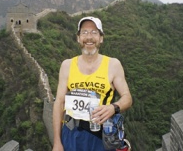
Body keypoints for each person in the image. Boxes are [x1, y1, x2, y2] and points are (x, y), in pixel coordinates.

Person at [52, 16, 133, 151]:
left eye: (94, 32)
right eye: (84, 32)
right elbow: (59, 102)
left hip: (100, 136)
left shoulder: (113, 65)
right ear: (78, 38)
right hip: (71, 134)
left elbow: (127, 97)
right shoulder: (67, 65)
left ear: (101, 38)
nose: (89, 37)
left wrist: (113, 107)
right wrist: (57, 142)